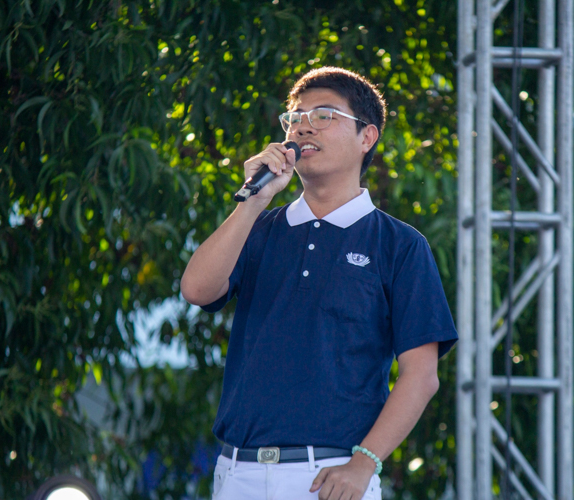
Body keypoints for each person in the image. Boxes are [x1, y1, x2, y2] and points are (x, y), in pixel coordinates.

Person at [180, 67, 458, 500]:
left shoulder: (401, 245)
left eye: (325, 114)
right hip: (237, 472)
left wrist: (364, 463)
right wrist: (254, 201)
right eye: (294, 117)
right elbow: (197, 290)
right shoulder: (258, 226)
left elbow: (421, 376)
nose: (303, 125)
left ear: (368, 137)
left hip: (331, 476)